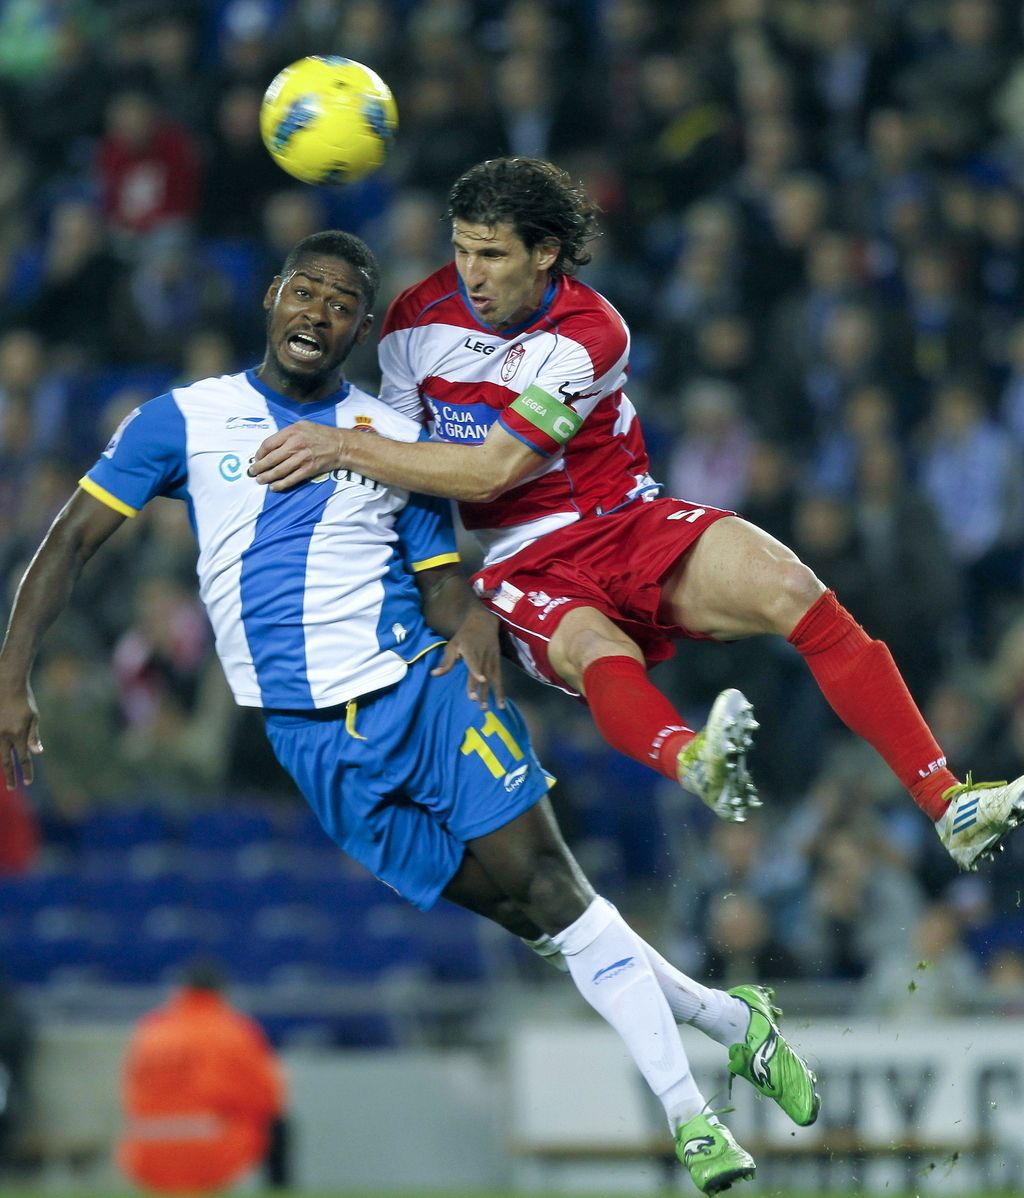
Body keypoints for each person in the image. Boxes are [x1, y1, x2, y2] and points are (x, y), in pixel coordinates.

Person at [0, 229, 817, 1194]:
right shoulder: (183, 419)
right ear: (272, 296)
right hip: (308, 740)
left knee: (553, 890)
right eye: (306, 292)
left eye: (343, 304)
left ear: (361, 327)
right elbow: (69, 542)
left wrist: (469, 617)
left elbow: (438, 579)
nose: (319, 313)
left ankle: (694, 1121)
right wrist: (11, 678)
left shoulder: (396, 442)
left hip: (421, 691)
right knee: (542, 922)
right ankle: (731, 1020)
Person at [248, 156, 1024, 872]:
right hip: (521, 556)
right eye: (462, 250)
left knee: (796, 591)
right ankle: (694, 761)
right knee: (594, 646)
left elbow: (488, 470)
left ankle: (946, 802)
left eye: (492, 255)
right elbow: (410, 471)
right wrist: (456, 596)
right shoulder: (416, 322)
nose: (470, 273)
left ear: (544, 253)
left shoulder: (592, 332)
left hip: (629, 519)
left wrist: (338, 446)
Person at [116, 959, 286, 1194]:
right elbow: (268, 1097)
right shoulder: (231, 1030)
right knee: (277, 1126)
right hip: (208, 1148)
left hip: (146, 1149)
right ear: (222, 992)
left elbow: (130, 1095)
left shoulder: (152, 1030)